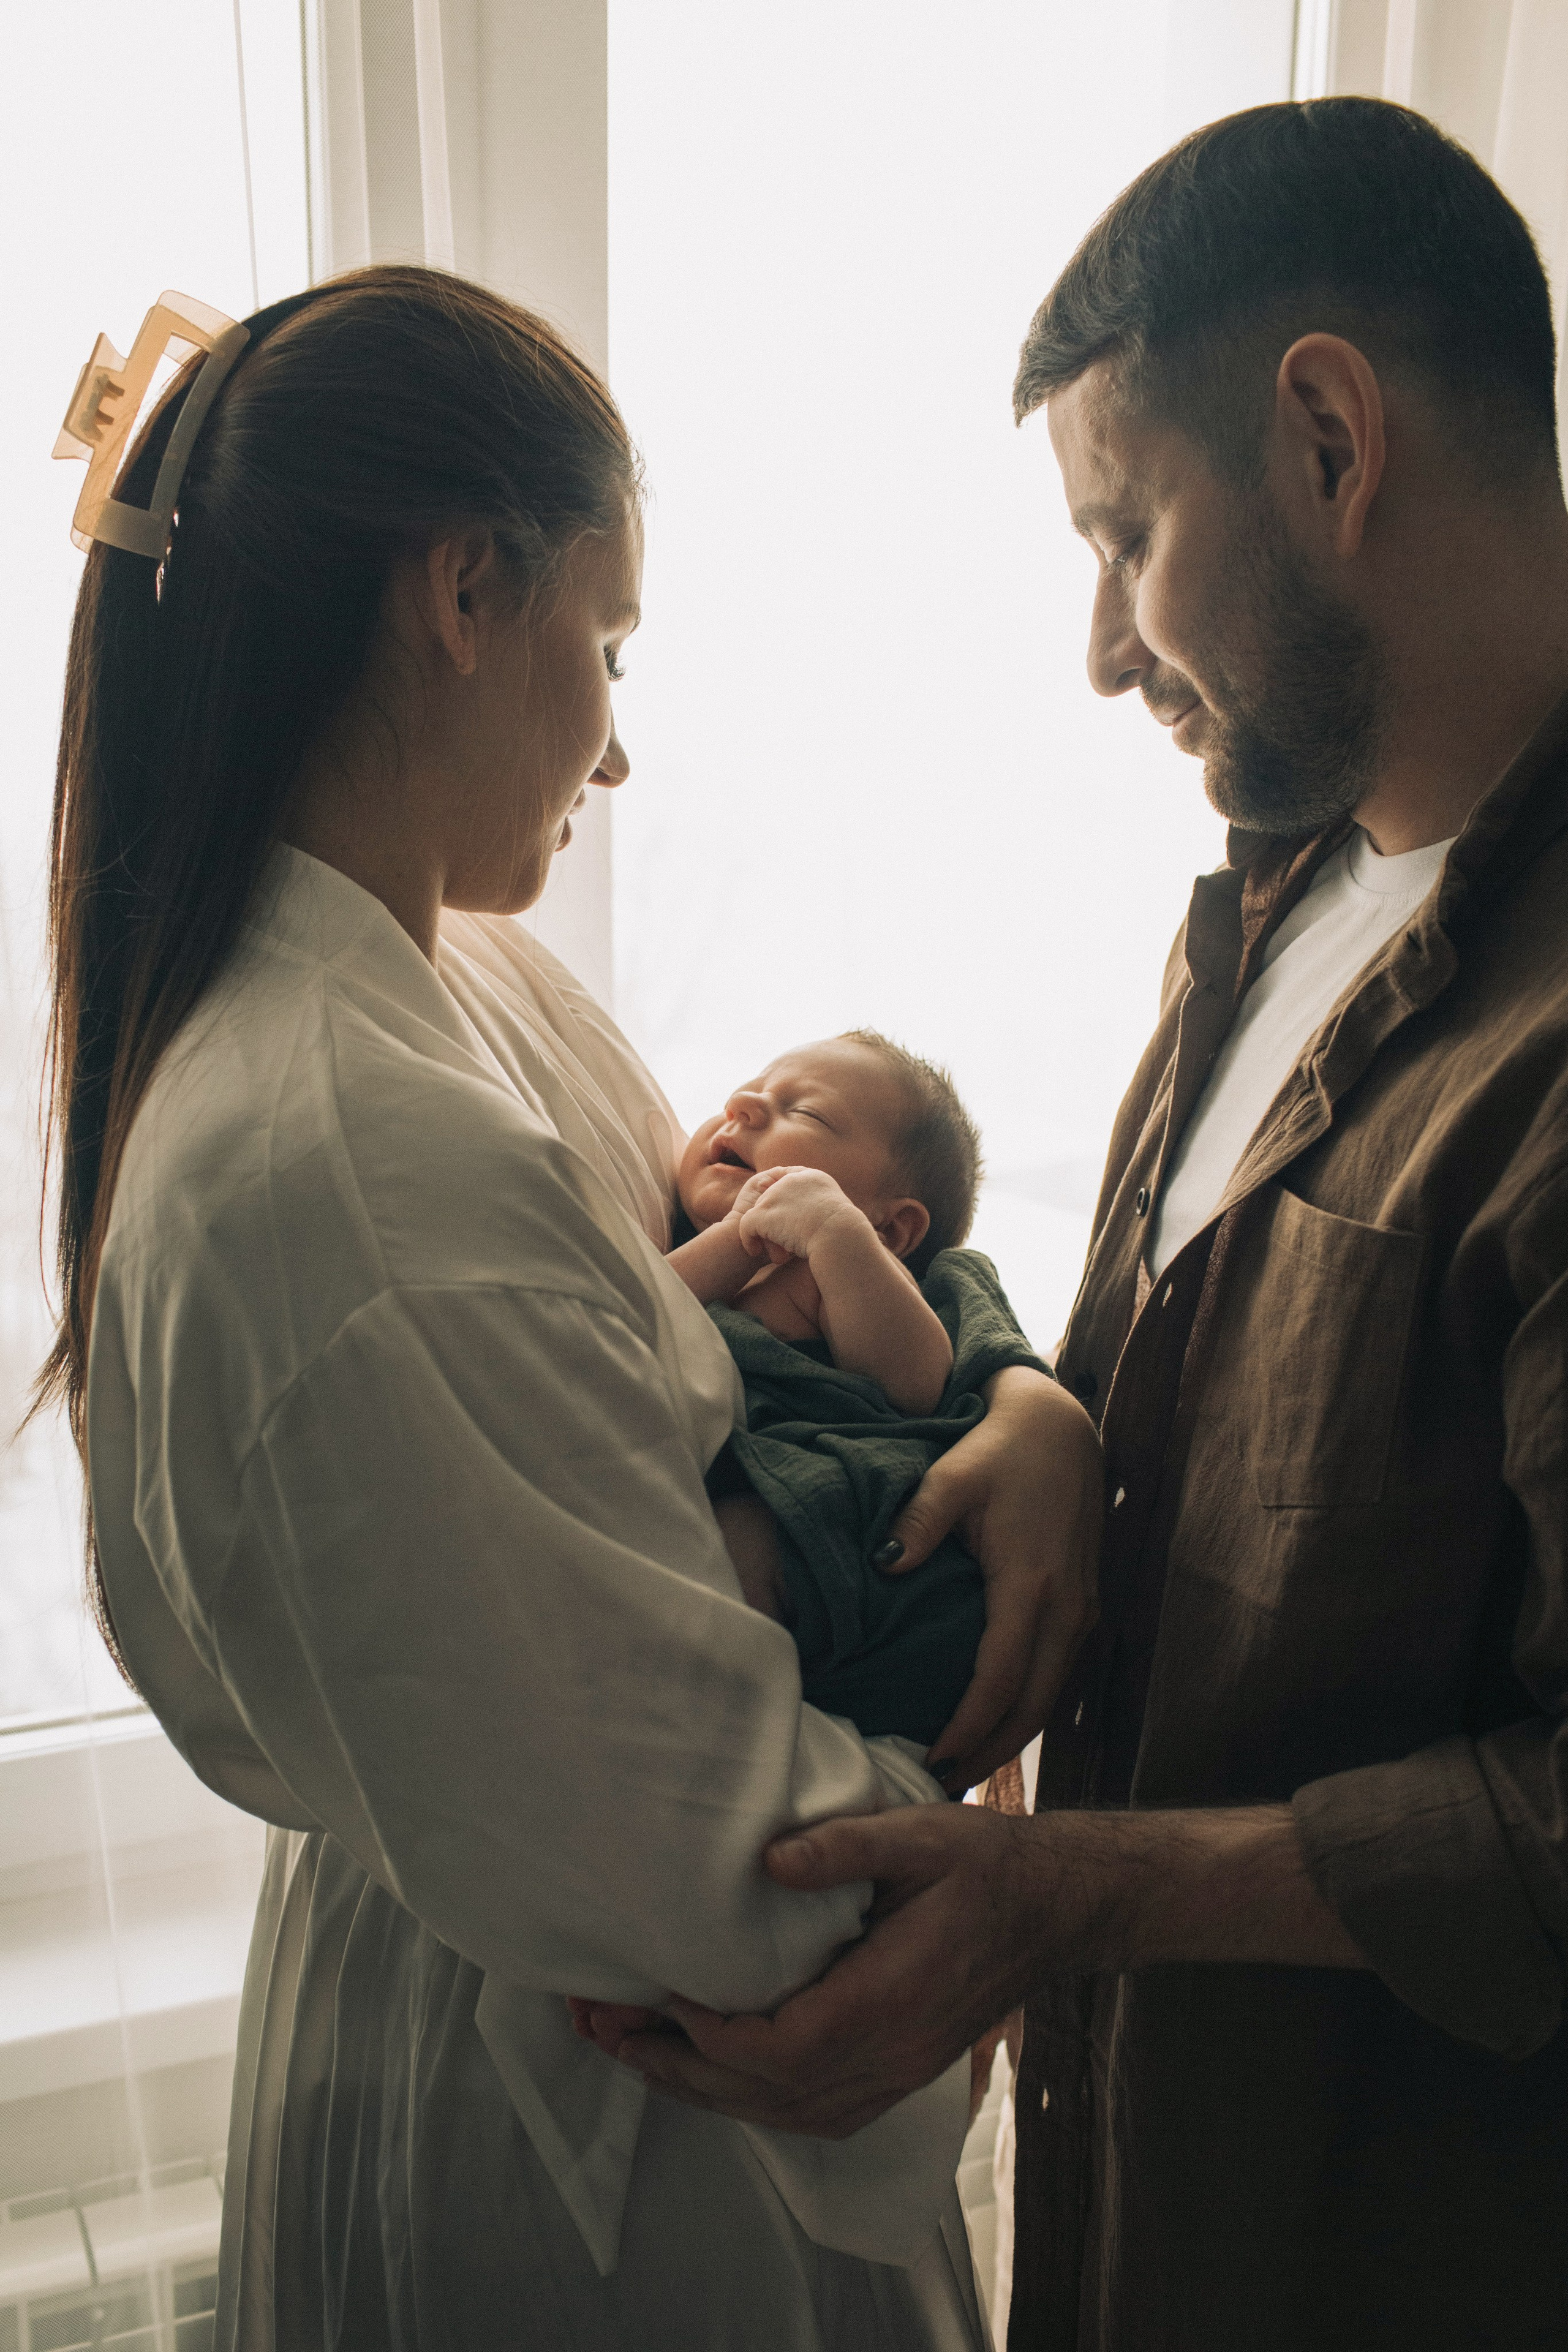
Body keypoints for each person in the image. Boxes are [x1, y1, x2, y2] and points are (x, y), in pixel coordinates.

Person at [38, 266, 1103, 2350]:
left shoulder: (453, 983)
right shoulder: (344, 1155)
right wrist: (964, 1902)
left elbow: (750, 1339)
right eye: (607, 645)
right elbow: (699, 1847)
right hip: (605, 2098)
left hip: (562, 1978)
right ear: (462, 592)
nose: (614, 746)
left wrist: (1014, 1403)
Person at [586, 100, 1568, 2351]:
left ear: (1329, 439)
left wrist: (1064, 1898)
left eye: (1125, 535)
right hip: (1153, 2207)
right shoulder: (1284, 888)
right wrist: (1041, 1411)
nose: (1104, 652)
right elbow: (1233, 1412)